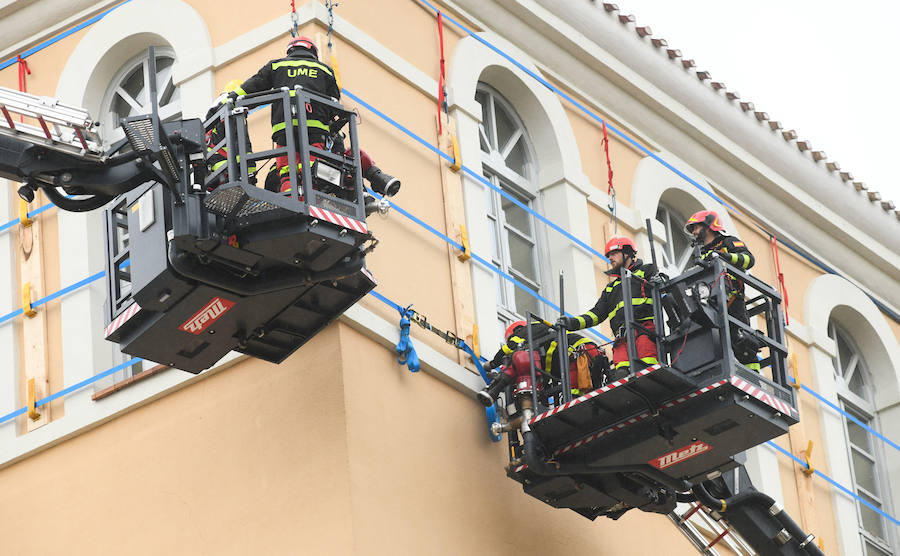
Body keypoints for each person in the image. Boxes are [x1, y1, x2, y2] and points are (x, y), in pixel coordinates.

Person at [231, 36, 399, 200]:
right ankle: (310, 200)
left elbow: (252, 86)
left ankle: (292, 199)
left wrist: (230, 100)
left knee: (286, 170)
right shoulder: (324, 70)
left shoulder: (277, 65)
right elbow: (334, 103)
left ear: (290, 51)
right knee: (312, 167)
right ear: (313, 52)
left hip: (283, 130)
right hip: (315, 130)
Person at [558, 236, 659, 376]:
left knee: (649, 367)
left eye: (614, 254)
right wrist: (572, 323)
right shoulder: (610, 288)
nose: (610, 258)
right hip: (622, 338)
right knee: (620, 373)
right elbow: (596, 314)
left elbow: (663, 287)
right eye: (608, 255)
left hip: (644, 330)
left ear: (628, 253)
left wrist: (659, 280)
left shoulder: (646, 271)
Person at [685, 210, 760, 372]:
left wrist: (723, 257)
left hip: (733, 301)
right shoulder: (700, 254)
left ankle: (754, 378)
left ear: (709, 226)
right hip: (709, 305)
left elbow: (749, 260)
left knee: (742, 341)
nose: (694, 232)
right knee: (712, 345)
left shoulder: (728, 242)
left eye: (696, 227)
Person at [477, 320, 604, 407]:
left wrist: (492, 364)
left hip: (576, 354)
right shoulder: (541, 341)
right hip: (590, 353)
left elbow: (508, 348)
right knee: (583, 392)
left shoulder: (525, 331)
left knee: (573, 398)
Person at [204, 79, 256, 189]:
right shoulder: (233, 111)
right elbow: (242, 145)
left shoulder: (215, 112)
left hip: (215, 171)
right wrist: (249, 175)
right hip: (227, 172)